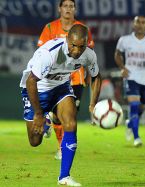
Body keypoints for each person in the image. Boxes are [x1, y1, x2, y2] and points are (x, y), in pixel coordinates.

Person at [20, 24, 101, 186]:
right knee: (35, 141)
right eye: (73, 45)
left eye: (81, 46)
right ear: (67, 40)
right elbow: (31, 82)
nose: (77, 51)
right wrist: (38, 114)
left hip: (61, 87)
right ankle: (47, 120)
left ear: (86, 44)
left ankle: (64, 177)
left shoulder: (89, 55)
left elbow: (97, 76)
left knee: (71, 124)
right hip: (38, 89)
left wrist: (93, 104)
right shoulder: (49, 54)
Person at [38, 0, 95, 160]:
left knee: (69, 116)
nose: (68, 9)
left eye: (71, 6)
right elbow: (42, 52)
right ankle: (61, 147)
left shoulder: (83, 29)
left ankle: (51, 122)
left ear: (75, 9)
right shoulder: (50, 28)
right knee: (60, 116)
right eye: (65, 6)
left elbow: (90, 53)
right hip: (55, 78)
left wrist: (90, 75)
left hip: (76, 78)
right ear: (59, 9)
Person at [114, 16, 145, 147]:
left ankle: (130, 123)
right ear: (133, 24)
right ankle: (136, 137)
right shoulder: (124, 40)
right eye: (138, 22)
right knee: (134, 105)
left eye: (143, 23)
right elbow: (117, 54)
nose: (140, 25)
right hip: (131, 77)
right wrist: (122, 68)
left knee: (142, 106)